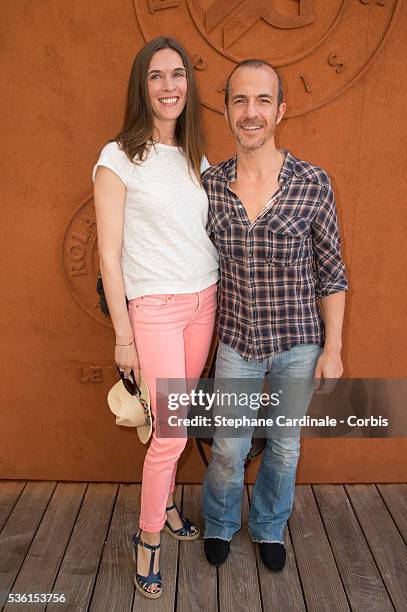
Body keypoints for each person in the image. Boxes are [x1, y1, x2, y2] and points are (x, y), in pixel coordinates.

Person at [201, 59, 348, 571]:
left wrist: (333, 350)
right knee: (227, 448)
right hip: (237, 342)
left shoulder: (313, 183)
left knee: (284, 448)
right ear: (226, 112)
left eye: (263, 101)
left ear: (281, 110)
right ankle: (220, 522)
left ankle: (267, 527)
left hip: (299, 345)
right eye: (240, 100)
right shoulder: (211, 187)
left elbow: (332, 273)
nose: (251, 112)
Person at [93, 37, 218, 599]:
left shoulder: (196, 157)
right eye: (156, 76)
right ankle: (147, 541)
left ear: (188, 87)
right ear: (141, 86)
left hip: (204, 302)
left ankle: (166, 504)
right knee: (169, 431)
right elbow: (108, 252)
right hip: (155, 312)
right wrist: (124, 336)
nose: (169, 87)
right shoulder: (117, 156)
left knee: (178, 422)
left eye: (178, 76)